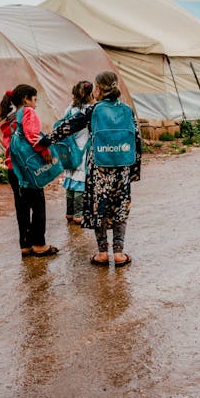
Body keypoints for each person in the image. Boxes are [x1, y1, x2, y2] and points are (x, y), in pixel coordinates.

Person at [45, 71, 141, 267]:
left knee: (101, 208)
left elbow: (67, 126)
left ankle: (103, 253)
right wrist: (134, 171)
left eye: (96, 87)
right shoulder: (127, 110)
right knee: (120, 208)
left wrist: (46, 140)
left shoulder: (93, 110)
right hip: (122, 168)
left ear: (101, 89)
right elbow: (136, 140)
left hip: (99, 169)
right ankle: (120, 253)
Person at [0, 84, 59, 257]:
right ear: (26, 99)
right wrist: (44, 150)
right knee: (38, 203)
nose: (35, 104)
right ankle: (39, 244)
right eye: (35, 100)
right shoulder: (27, 112)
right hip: (27, 169)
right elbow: (33, 135)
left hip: (13, 168)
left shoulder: (10, 118)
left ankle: (25, 245)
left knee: (22, 206)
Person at [61, 80, 94, 223]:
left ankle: (69, 213)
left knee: (70, 179)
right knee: (80, 182)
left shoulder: (69, 109)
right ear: (91, 94)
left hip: (69, 150)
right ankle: (79, 215)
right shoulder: (89, 111)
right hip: (83, 150)